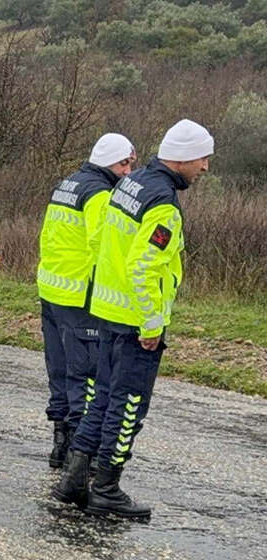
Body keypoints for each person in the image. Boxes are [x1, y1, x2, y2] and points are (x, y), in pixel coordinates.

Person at [54, 119, 214, 519]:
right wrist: (152, 325)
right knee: (128, 407)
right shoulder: (162, 203)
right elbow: (144, 268)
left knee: (102, 398)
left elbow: (108, 244)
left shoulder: (132, 182)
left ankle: (74, 480)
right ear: (182, 158)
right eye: (203, 158)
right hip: (133, 320)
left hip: (108, 309)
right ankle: (107, 487)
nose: (206, 167)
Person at [36, 133, 136, 470]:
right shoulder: (99, 194)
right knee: (86, 376)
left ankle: (59, 445)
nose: (127, 172)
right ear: (108, 162)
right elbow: (101, 247)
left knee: (59, 371)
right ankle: (81, 453)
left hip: (51, 290)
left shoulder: (67, 184)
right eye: (124, 164)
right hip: (80, 295)